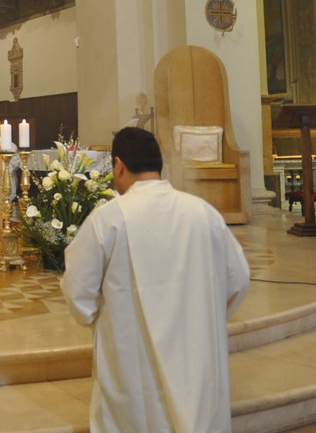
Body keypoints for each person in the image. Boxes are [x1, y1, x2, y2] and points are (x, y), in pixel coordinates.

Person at [61, 127, 250, 433]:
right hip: (197, 360)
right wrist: (207, 315)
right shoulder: (204, 213)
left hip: (132, 362)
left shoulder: (109, 219)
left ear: (119, 166)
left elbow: (77, 291)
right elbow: (238, 278)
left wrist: (96, 318)